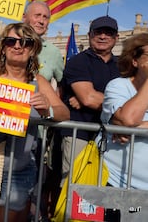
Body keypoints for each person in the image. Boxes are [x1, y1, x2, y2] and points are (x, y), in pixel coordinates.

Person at [0, 22, 69, 222]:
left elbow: (64, 113)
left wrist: (47, 109)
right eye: (11, 41)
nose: (18, 46)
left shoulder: (38, 82)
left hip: (18, 169)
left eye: (26, 42)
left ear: (33, 50)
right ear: (3, 47)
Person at [59, 15, 120, 188]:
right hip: (81, 133)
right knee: (75, 187)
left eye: (108, 33)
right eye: (98, 32)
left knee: (106, 188)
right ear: (89, 35)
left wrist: (91, 97)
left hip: (112, 137)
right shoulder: (78, 61)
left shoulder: (122, 65)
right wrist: (123, 108)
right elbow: (89, 99)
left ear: (117, 38)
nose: (103, 36)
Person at [22, 0, 64, 219]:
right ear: (24, 18)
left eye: (45, 17)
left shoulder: (54, 53)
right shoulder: (3, 43)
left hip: (34, 136)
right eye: (37, 15)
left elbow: (63, 87)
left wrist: (50, 108)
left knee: (27, 196)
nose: (41, 20)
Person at [97, 32, 148, 189]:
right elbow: (128, 119)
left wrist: (134, 129)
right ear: (134, 61)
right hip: (118, 182)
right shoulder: (118, 86)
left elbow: (129, 124)